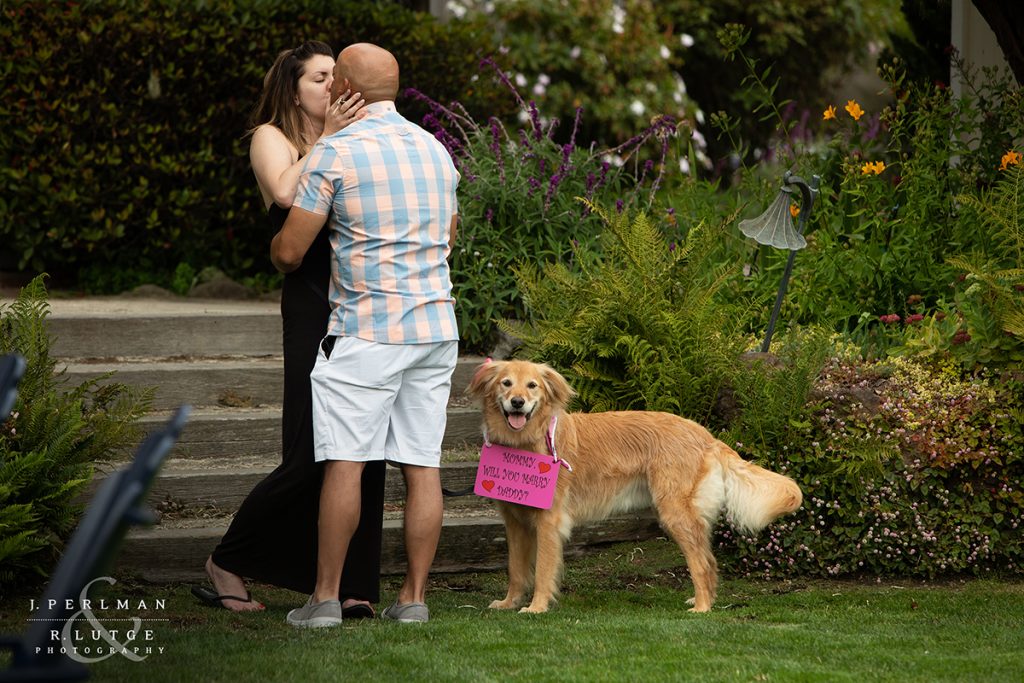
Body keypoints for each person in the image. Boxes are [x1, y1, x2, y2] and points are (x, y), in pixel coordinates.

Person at [192, 40, 385, 617]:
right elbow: (283, 191)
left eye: (336, 75)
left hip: (364, 300)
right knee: (310, 447)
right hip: (310, 300)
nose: (332, 84)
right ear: (293, 88)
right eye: (320, 77)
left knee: (365, 450)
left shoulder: (356, 134)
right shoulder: (271, 135)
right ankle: (228, 559)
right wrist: (330, 138)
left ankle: (353, 586)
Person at [270, 42, 460, 628]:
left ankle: (325, 598)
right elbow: (450, 234)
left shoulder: (337, 153)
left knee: (347, 463)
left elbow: (290, 252)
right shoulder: (436, 152)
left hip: (369, 330)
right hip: (435, 327)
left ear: (343, 88)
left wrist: (280, 245)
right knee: (422, 465)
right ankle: (413, 599)